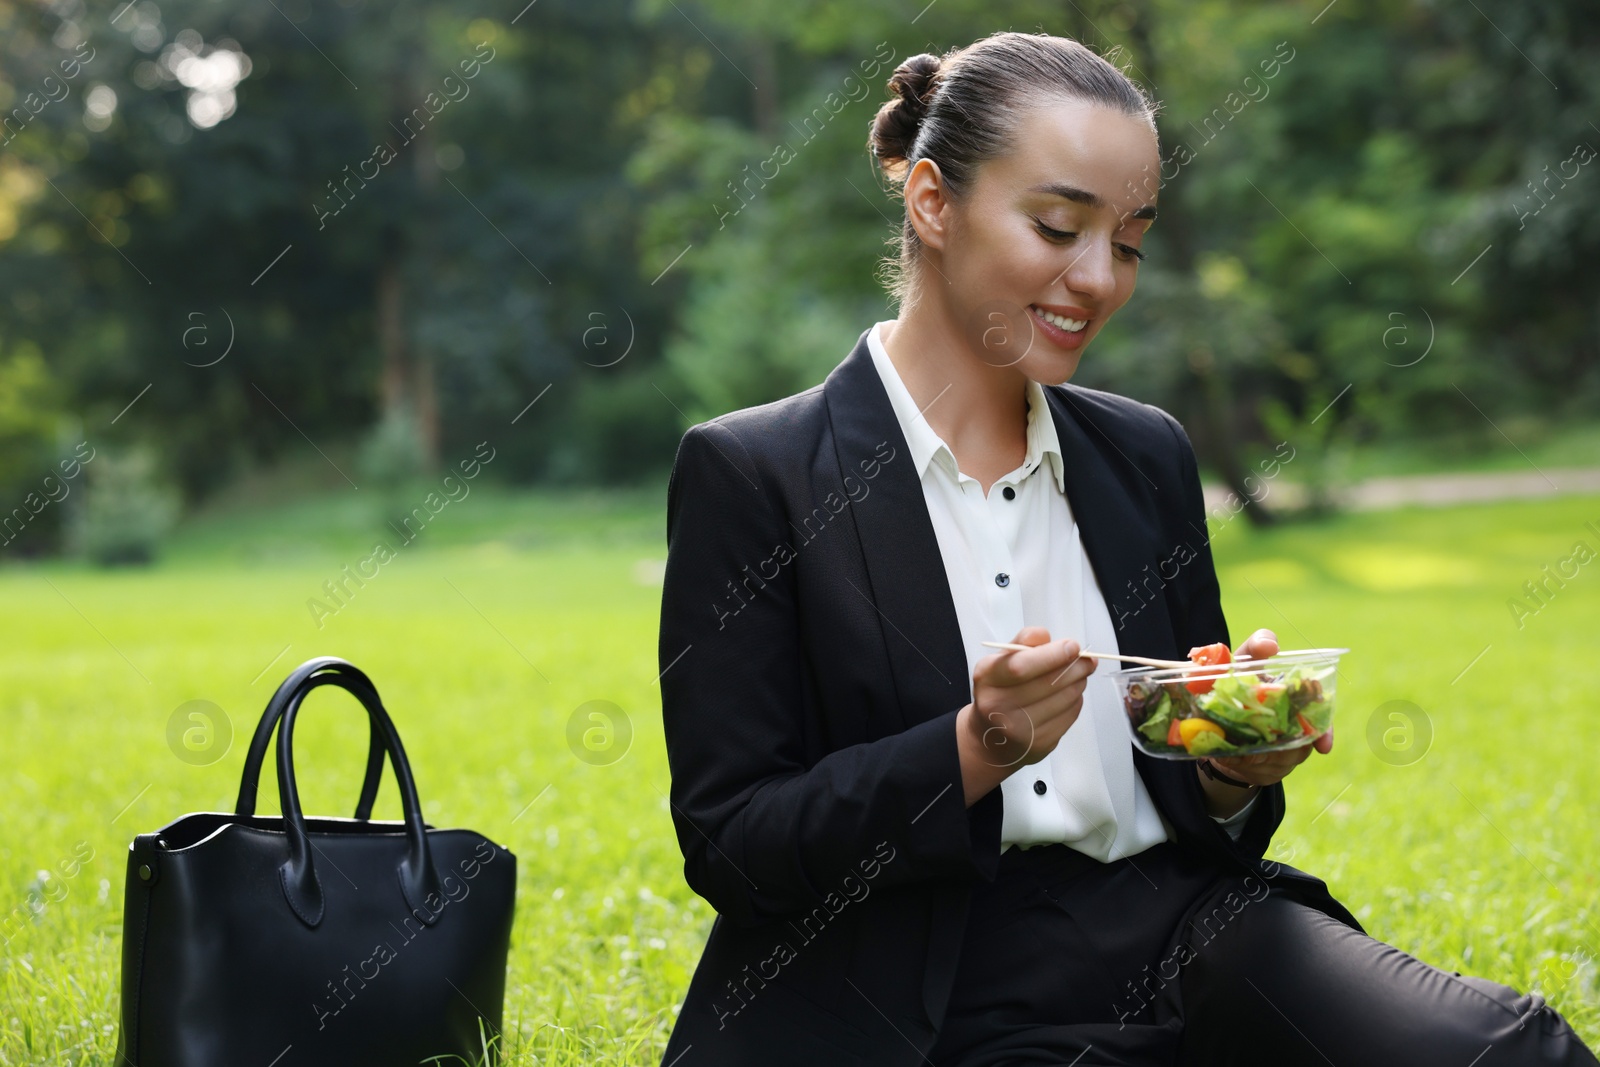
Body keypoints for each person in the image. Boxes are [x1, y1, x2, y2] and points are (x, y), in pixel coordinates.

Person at [654, 30, 1597, 1067]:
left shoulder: (1144, 453)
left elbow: (1193, 788)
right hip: (915, 984)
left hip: (1179, 927)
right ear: (931, 201)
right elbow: (736, 846)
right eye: (1059, 226)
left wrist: (1233, 764)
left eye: (1130, 240)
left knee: (1510, 1049)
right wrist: (976, 746)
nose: (1098, 279)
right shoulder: (756, 473)